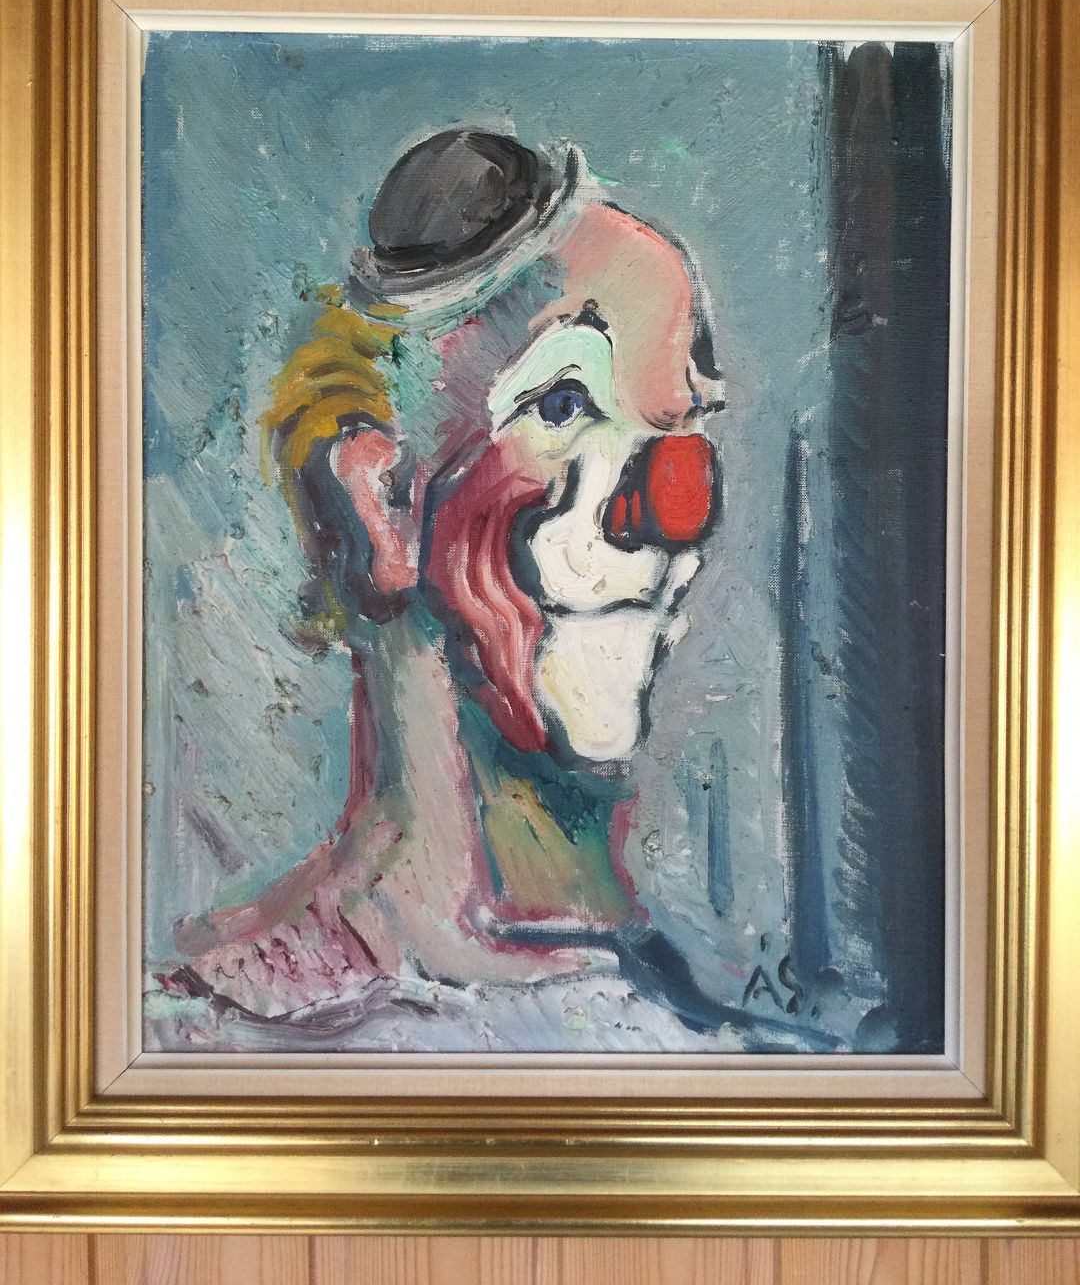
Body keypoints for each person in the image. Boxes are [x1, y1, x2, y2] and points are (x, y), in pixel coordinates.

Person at [158, 128, 739, 1038]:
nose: (668, 513)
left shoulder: (665, 1011)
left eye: (681, 424)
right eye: (562, 405)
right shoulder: (224, 1038)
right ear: (379, 502)